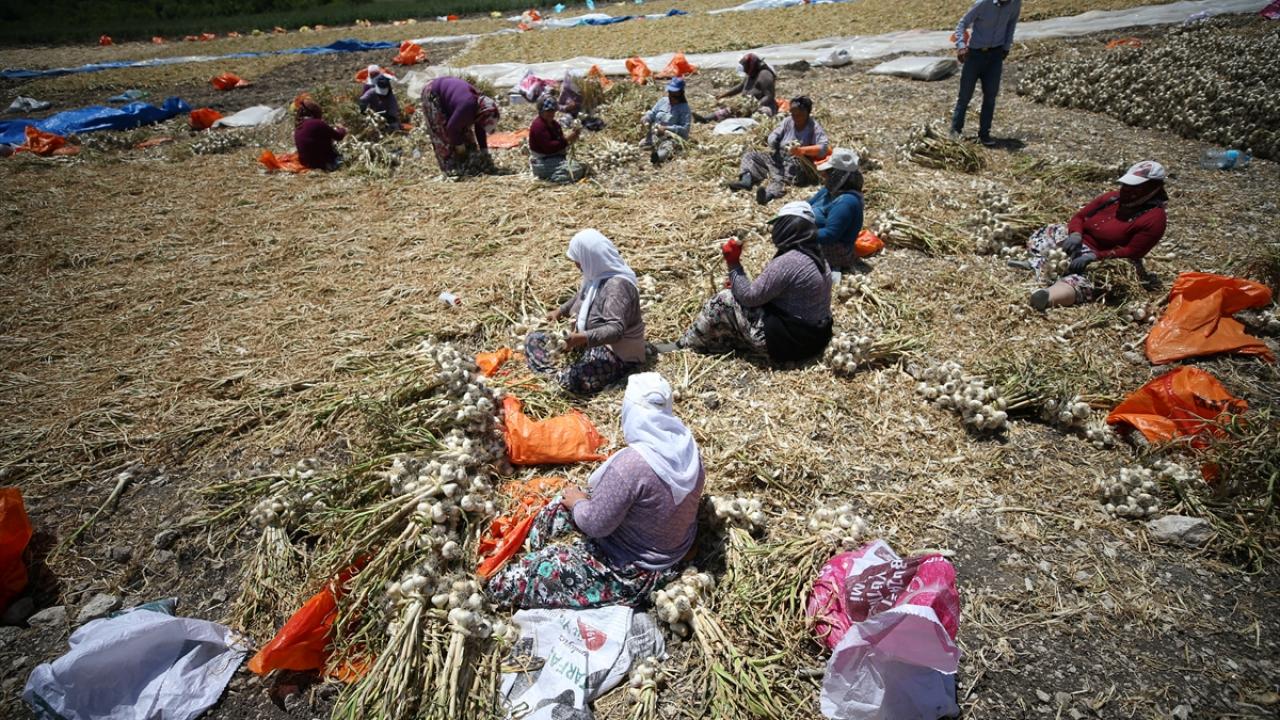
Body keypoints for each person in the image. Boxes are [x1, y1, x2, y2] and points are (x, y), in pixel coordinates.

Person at [487, 372, 704, 610]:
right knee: (557, 513)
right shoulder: (686, 445)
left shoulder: (632, 465)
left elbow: (595, 525)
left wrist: (579, 502)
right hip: (673, 551)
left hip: (635, 570)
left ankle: (507, 579)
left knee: (522, 577)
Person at [677, 201, 834, 363]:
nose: (775, 230)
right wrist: (739, 283)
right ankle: (723, 342)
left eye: (779, 224)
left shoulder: (790, 261)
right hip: (815, 340)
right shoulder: (818, 256)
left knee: (724, 300)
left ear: (788, 227)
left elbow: (749, 297)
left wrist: (733, 263)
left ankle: (687, 343)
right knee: (736, 294)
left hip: (789, 346)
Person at [1023, 160, 1168, 310]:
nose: (1126, 190)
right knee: (1053, 230)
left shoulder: (1154, 219)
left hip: (1107, 258)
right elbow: (1079, 217)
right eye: (1126, 185)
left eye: (1135, 187)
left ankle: (1048, 296)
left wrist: (1094, 257)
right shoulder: (1112, 198)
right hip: (1079, 244)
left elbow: (1133, 251)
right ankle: (1042, 264)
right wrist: (1076, 235)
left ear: (1153, 189)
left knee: (1093, 281)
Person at [526, 230, 647, 395]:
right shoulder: (595, 276)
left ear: (590, 257)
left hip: (614, 353)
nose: (576, 264)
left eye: (578, 260)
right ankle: (555, 374)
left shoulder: (617, 287)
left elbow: (615, 330)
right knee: (533, 340)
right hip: (584, 344)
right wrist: (559, 312)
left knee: (570, 381)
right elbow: (581, 297)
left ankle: (559, 378)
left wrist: (580, 338)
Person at [727, 96, 830, 205]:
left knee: (781, 178)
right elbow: (775, 133)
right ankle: (746, 180)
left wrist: (802, 150)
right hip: (778, 157)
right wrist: (773, 140)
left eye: (799, 115)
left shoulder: (813, 127)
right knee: (751, 156)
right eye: (793, 114)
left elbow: (823, 147)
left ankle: (768, 195)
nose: (795, 117)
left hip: (795, 163)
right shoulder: (788, 121)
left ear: (807, 113)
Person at [950, 0, 1022, 147]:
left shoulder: (1015, 4)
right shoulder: (983, 3)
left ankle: (984, 134)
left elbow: (1011, 25)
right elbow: (962, 24)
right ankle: (955, 131)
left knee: (990, 96)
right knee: (964, 96)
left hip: (995, 55)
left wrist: (1006, 47)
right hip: (975, 56)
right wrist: (961, 46)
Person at [421, 76, 501, 176]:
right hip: (433, 92)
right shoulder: (468, 106)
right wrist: (460, 147)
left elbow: (480, 127)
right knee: (443, 135)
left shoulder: (480, 107)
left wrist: (484, 150)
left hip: (452, 98)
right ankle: (450, 168)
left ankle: (466, 161)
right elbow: (451, 128)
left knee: (467, 138)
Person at [807, 148, 865, 278]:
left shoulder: (846, 202)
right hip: (816, 234)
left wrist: (801, 234)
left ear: (837, 175)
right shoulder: (830, 190)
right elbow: (808, 204)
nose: (823, 176)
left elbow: (830, 235)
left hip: (834, 249)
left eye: (827, 172)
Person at [696, 53, 778, 123]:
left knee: (759, 116)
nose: (745, 71)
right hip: (746, 105)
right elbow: (740, 87)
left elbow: (769, 96)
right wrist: (723, 95)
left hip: (763, 105)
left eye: (746, 68)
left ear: (752, 66)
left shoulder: (765, 75)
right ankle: (704, 119)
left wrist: (755, 105)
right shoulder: (751, 74)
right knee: (726, 111)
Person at [529, 95, 587, 183]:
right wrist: (567, 139)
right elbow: (549, 147)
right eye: (548, 111)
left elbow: (560, 141)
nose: (551, 113)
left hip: (554, 158)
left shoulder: (554, 124)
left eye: (552, 110)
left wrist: (573, 137)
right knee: (576, 170)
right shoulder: (539, 126)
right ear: (541, 111)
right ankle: (553, 178)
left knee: (583, 167)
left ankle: (553, 173)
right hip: (542, 161)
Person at [641, 78, 691, 165]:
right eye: (670, 94)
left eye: (674, 96)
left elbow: (685, 129)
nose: (671, 98)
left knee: (668, 148)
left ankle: (657, 157)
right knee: (642, 145)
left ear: (681, 94)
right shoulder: (663, 101)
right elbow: (653, 113)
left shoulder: (684, 108)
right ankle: (652, 145)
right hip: (656, 134)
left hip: (671, 138)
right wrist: (647, 117)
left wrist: (667, 128)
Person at [293, 98, 346, 171]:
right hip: (321, 164)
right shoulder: (317, 123)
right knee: (347, 158)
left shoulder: (299, 126)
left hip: (306, 163)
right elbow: (339, 136)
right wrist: (342, 129)